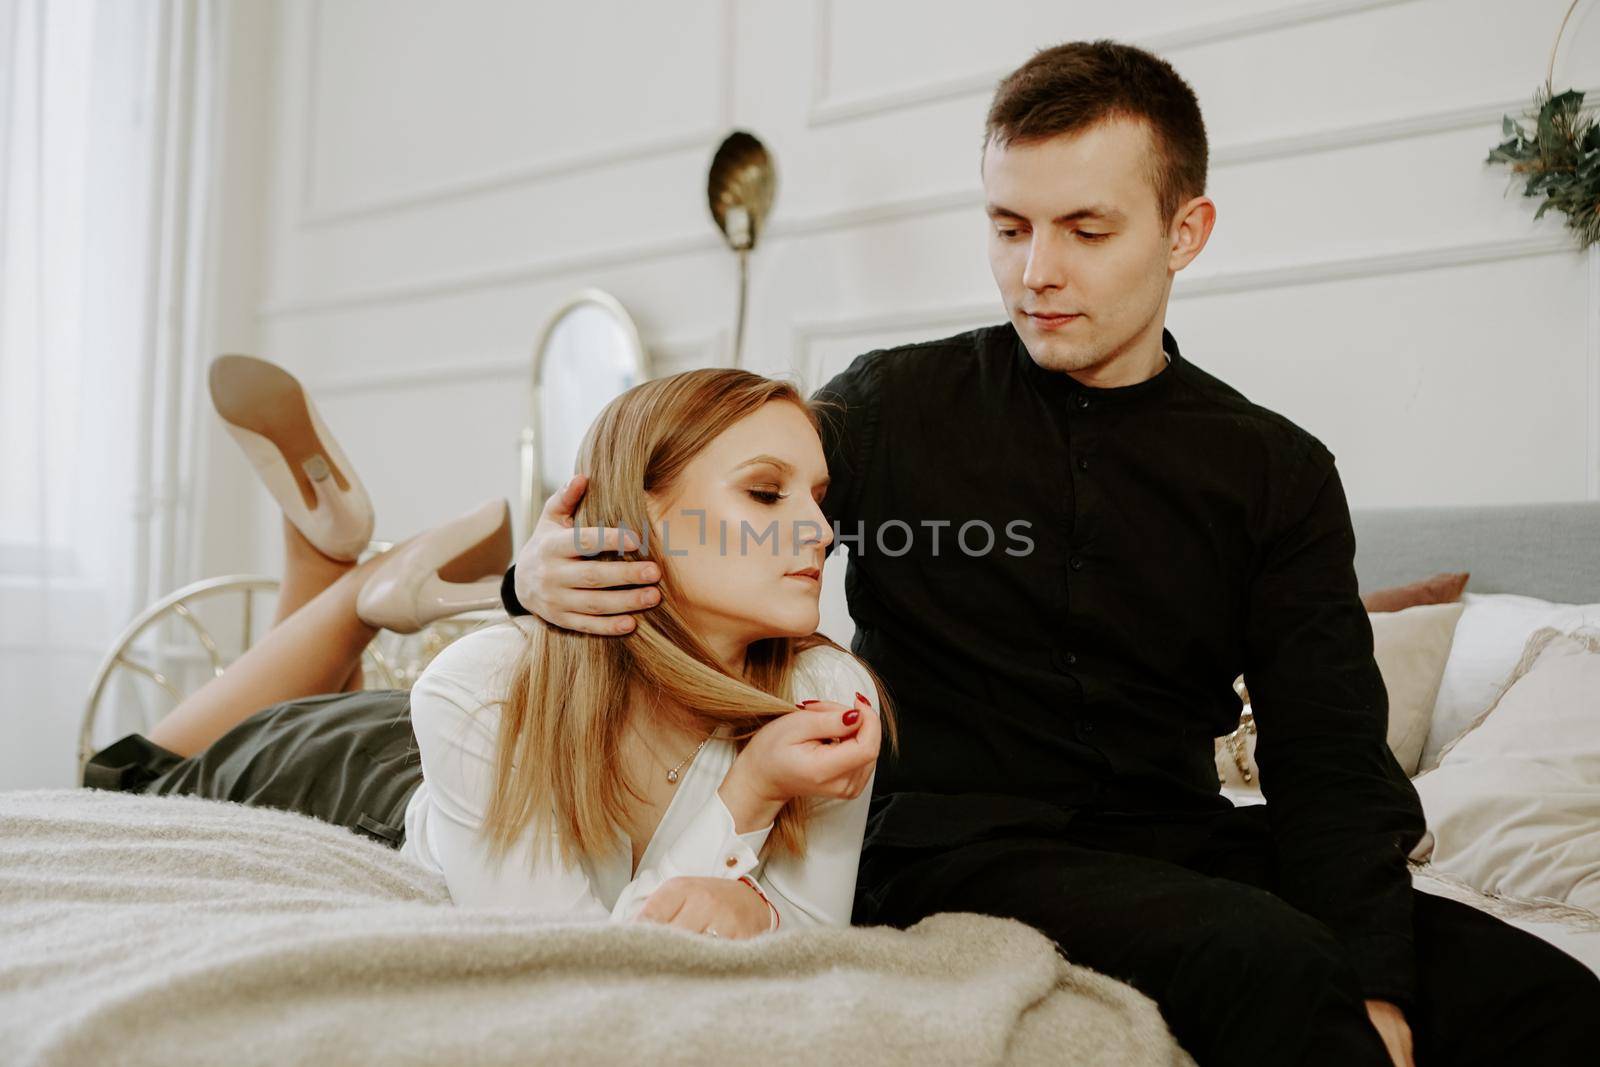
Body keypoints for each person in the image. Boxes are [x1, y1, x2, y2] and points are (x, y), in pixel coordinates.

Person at [498, 39, 1600, 1065]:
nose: (1036, 271)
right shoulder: (891, 404)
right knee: (1258, 953)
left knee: (1531, 986)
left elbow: (1330, 760)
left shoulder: (1277, 472)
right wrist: (533, 577)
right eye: (1008, 226)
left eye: (1085, 228)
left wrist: (1381, 990)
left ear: (1185, 231)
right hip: (942, 846)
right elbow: (710, 509)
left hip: (1177, 842)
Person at [84, 356, 890, 939]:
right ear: (639, 514)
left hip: (464, 755)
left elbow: (815, 934)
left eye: (818, 499)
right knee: (133, 776)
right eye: (763, 491)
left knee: (337, 698)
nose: (822, 532)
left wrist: (763, 905)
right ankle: (353, 586)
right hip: (349, 785)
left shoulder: (826, 692)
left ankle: (337, 559)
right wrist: (748, 795)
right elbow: (577, 962)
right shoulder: (476, 690)